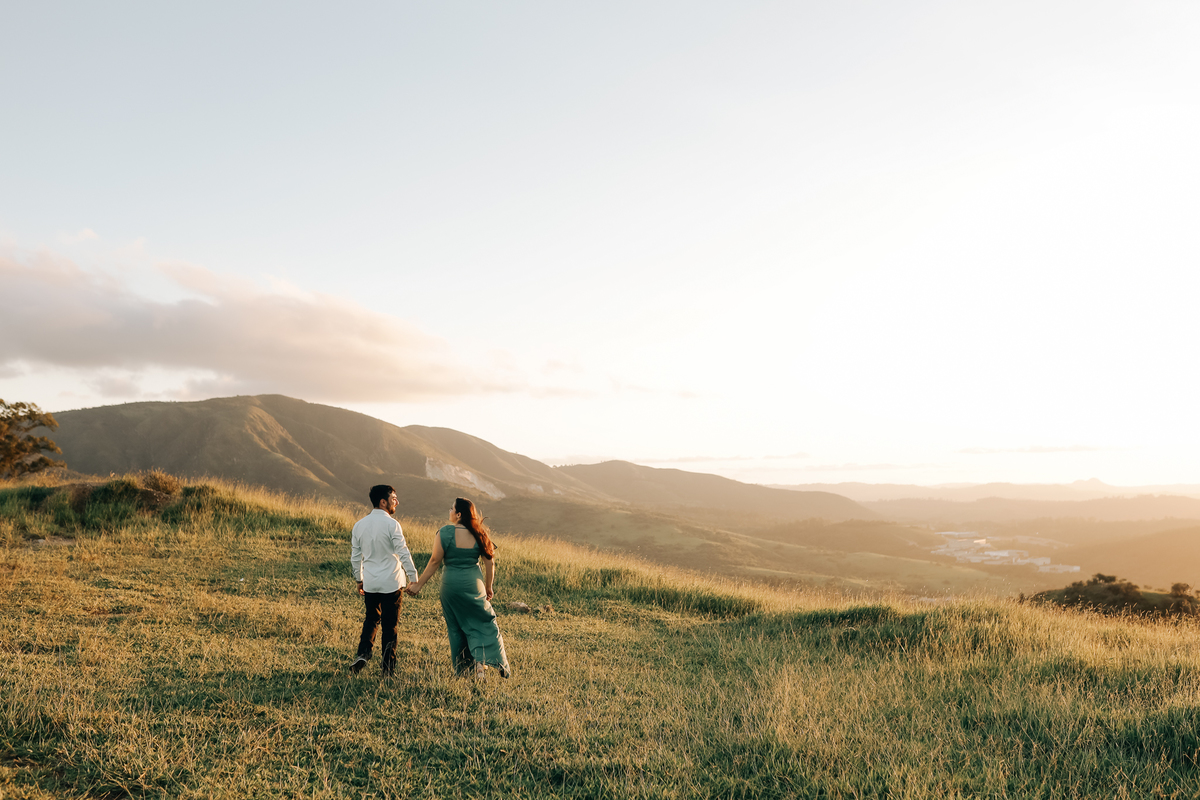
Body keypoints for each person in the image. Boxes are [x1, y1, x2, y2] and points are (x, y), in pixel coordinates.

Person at [408, 497, 510, 678]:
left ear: (459, 514)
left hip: (451, 586)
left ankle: (464, 670)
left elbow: (434, 562)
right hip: (474, 585)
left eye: (451, 509)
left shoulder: (444, 533)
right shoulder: (480, 533)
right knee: (483, 621)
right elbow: (490, 563)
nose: (449, 511)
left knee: (456, 627)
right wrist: (488, 587)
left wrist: (418, 585)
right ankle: (483, 660)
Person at [349, 484, 419, 676]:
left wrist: (359, 579)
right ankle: (387, 669)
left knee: (371, 619)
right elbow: (403, 552)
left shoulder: (359, 525)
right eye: (394, 498)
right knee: (390, 626)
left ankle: (363, 653)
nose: (397, 502)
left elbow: (356, 557)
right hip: (391, 583)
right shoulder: (392, 524)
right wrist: (414, 578)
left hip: (370, 582)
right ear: (383, 501)